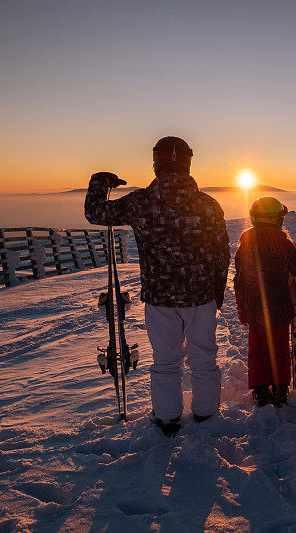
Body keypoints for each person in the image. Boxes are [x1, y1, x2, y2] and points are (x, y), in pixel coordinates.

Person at [85, 136, 230, 436]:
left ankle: (167, 419)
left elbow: (96, 214)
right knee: (204, 358)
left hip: (160, 298)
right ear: (189, 162)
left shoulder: (141, 203)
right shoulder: (208, 205)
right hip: (201, 296)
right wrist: (217, 291)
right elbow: (221, 251)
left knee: (166, 361)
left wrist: (101, 182)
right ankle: (206, 414)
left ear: (156, 163)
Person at [234, 197, 296, 407]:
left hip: (254, 308)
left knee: (257, 349)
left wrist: (241, 307)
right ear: (276, 219)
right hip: (280, 307)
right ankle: (281, 389)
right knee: (280, 350)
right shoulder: (284, 244)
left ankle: (261, 391)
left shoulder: (244, 245)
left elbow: (239, 281)